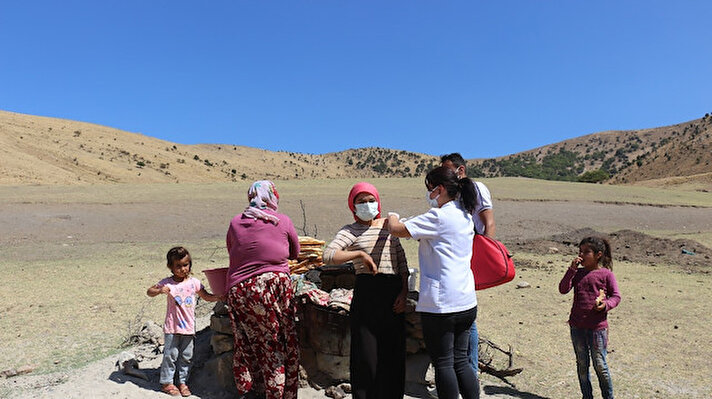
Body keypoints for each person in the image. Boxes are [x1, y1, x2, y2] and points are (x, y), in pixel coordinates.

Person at [387, 166, 480, 399]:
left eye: (429, 190)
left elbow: (396, 229)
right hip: (466, 301)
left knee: (444, 363)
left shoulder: (439, 216)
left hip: (442, 305)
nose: (428, 195)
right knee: (461, 360)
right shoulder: (464, 214)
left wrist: (392, 215)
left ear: (439, 189)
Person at [323, 182, 409, 399]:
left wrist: (404, 293)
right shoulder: (350, 231)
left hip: (393, 295)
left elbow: (401, 263)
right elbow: (328, 255)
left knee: (392, 356)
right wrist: (359, 256)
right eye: (361, 202)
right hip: (367, 294)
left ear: (378, 202)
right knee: (366, 358)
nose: (367, 205)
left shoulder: (389, 226)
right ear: (353, 206)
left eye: (371, 200)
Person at [225, 180, 301, 399]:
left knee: (250, 341)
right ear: (272, 197)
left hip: (240, 290)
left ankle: (253, 389)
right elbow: (294, 252)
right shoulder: (283, 220)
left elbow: (233, 252)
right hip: (273, 287)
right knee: (278, 341)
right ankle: (278, 392)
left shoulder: (234, 222)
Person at [440, 152, 496, 373]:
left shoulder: (477, 188)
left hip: (470, 254)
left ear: (460, 170)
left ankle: (469, 372)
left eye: (448, 169)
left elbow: (488, 223)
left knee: (466, 316)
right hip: (456, 256)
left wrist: (485, 256)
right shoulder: (452, 193)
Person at [147, 246, 220, 397]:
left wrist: (219, 297)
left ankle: (182, 382)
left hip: (188, 328)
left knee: (186, 356)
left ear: (190, 264)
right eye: (178, 266)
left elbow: (206, 296)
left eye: (185, 265)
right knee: (170, 355)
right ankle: (167, 383)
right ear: (171, 267)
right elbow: (149, 291)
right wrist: (160, 290)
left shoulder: (194, 283)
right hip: (172, 327)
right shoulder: (168, 283)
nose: (182, 269)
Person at [559, 236, 621, 399]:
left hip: (597, 329)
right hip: (577, 327)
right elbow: (563, 289)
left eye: (587, 252)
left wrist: (605, 305)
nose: (581, 255)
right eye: (580, 251)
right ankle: (587, 396)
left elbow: (616, 296)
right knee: (582, 364)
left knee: (600, 365)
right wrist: (571, 270)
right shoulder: (578, 273)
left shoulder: (606, 274)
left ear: (598, 255)